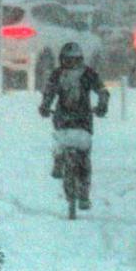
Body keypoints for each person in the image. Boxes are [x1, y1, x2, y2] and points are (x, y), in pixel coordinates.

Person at [38, 42, 109, 210]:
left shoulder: (81, 74)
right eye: (67, 60)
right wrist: (45, 106)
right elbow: (49, 92)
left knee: (79, 155)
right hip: (72, 119)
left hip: (75, 120)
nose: (70, 64)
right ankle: (61, 162)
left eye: (73, 60)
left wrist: (102, 105)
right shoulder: (65, 74)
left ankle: (80, 191)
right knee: (74, 152)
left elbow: (102, 91)